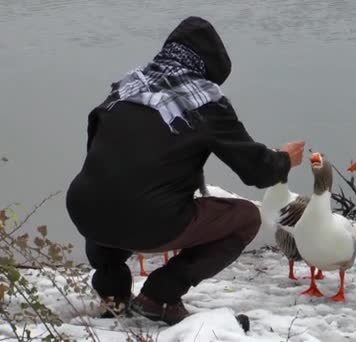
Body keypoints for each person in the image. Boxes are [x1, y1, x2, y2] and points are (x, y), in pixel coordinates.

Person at [65, 16, 305, 326]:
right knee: (247, 218)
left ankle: (113, 292)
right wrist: (284, 159)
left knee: (110, 191)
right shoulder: (206, 102)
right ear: (208, 68)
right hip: (147, 221)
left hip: (85, 211)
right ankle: (160, 295)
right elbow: (256, 172)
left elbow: (100, 157)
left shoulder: (125, 88)